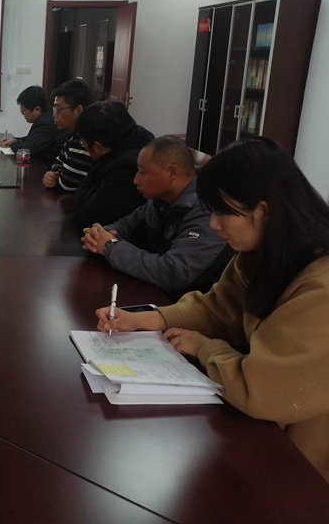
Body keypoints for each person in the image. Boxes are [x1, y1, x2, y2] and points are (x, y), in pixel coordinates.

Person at [95, 137, 329, 483]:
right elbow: (219, 308)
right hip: (266, 431)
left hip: (302, 459)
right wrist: (144, 319)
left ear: (263, 210)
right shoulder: (261, 251)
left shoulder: (321, 285)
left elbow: (262, 392)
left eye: (222, 212)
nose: (214, 225)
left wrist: (205, 347)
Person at [82, 136, 232, 299]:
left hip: (191, 307)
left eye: (143, 172)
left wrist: (110, 246)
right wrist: (99, 235)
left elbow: (174, 273)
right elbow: (124, 226)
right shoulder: (160, 201)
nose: (136, 180)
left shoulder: (208, 210)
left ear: (172, 172)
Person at [73, 101, 155, 228]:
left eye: (83, 142)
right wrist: (95, 192)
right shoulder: (132, 134)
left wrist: (92, 193)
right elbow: (81, 189)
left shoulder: (128, 166)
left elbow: (90, 217)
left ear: (97, 146)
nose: (84, 147)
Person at [42, 80, 95, 191]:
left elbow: (68, 183)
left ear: (78, 110)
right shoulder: (72, 135)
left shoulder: (84, 139)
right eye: (54, 109)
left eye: (58, 109)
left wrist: (57, 178)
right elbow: (56, 165)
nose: (54, 114)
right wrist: (56, 174)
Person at [0, 85, 66, 168]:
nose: (22, 113)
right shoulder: (46, 115)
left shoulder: (46, 123)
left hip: (48, 168)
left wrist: (12, 144)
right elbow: (32, 138)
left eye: (23, 110)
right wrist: (15, 140)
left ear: (37, 109)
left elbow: (26, 149)